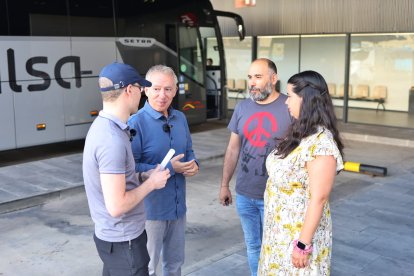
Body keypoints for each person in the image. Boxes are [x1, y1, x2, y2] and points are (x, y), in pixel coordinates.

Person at [82, 62, 170, 276]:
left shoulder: (104, 127)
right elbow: (117, 205)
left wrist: (141, 175)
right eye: (141, 89)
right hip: (124, 243)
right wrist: (152, 183)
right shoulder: (111, 139)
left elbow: (116, 181)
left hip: (116, 241)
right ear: (129, 90)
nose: (142, 94)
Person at [258, 70, 344, 275]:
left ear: (306, 99)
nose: (286, 102)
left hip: (297, 240)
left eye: (290, 96)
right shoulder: (302, 133)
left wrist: (302, 245)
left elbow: (319, 198)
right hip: (278, 235)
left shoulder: (321, 143)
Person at [219, 58, 292, 276]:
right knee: (253, 246)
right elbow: (233, 149)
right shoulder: (242, 107)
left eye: (258, 77)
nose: (252, 82)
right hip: (244, 194)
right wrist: (224, 185)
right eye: (250, 77)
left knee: (278, 247)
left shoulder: (290, 106)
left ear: (273, 78)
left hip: (277, 195)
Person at [128, 65, 199, 276]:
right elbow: (130, 168)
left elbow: (189, 151)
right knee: (148, 267)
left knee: (175, 264)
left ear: (176, 91)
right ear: (145, 90)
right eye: (156, 89)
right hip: (151, 212)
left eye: (168, 89)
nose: (162, 95)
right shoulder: (135, 123)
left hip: (178, 209)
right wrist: (170, 168)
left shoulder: (180, 119)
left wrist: (193, 165)